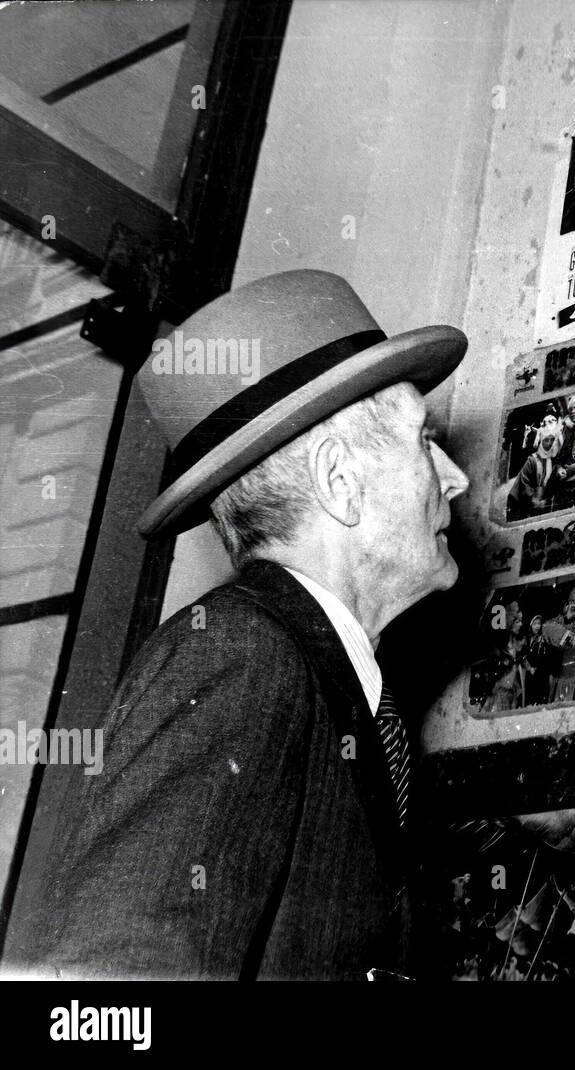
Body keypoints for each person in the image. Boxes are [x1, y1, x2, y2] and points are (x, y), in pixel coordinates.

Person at [5, 270, 471, 979]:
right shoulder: (241, 656)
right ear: (339, 480)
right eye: (422, 441)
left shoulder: (329, 681)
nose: (454, 477)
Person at [507, 413, 564, 520]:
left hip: (542, 505)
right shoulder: (532, 460)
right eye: (546, 440)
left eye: (553, 440)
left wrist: (559, 471)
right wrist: (534, 500)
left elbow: (552, 481)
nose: (550, 443)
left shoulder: (554, 461)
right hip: (524, 504)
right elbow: (524, 484)